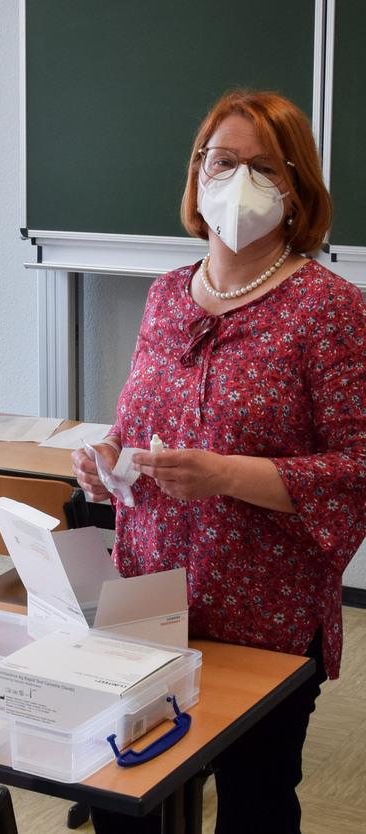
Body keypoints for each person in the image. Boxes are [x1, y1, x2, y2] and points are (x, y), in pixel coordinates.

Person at [72, 90, 366, 834]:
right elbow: (139, 421)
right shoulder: (168, 294)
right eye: (223, 161)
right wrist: (108, 457)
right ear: (197, 176)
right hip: (151, 596)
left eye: (265, 167)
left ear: (298, 191)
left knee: (255, 806)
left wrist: (224, 475)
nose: (239, 182)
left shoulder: (330, 309)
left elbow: (357, 469)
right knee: (127, 792)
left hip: (262, 613)